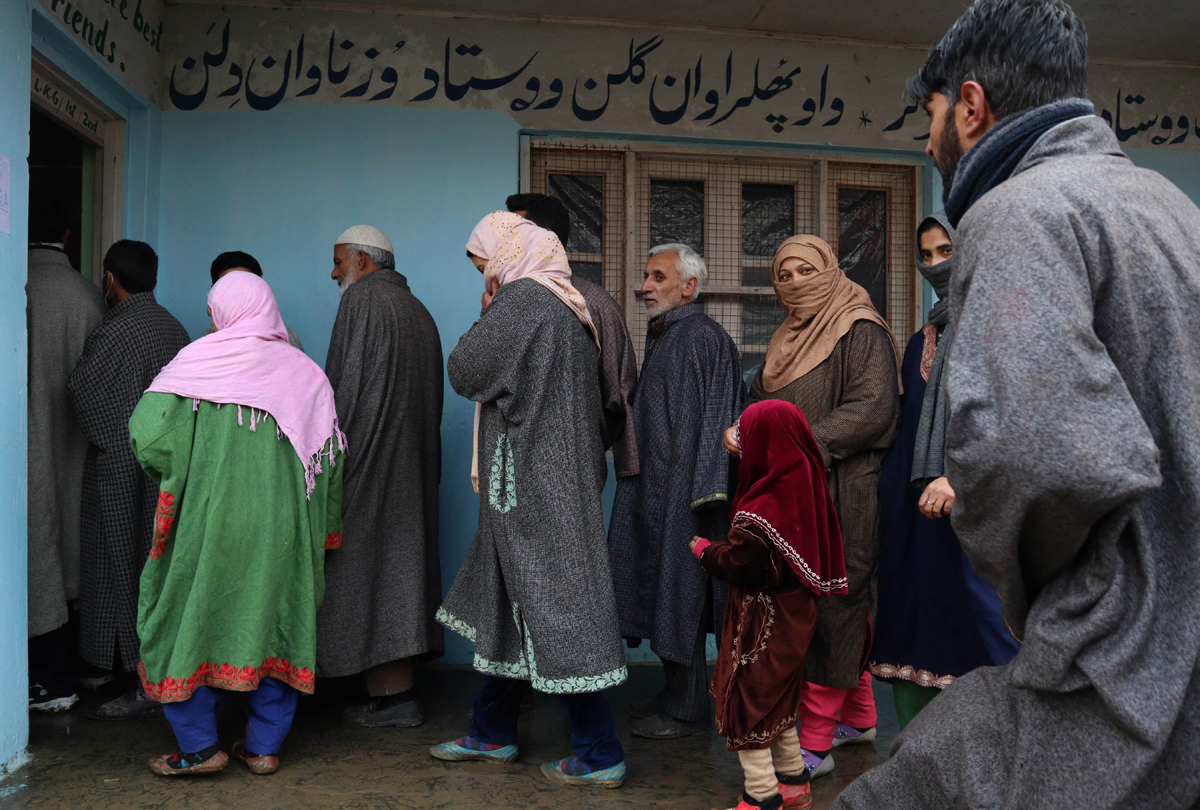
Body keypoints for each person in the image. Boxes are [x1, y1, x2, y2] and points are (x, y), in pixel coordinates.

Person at [834, 1, 1200, 807]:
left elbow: (1035, 454)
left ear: (971, 106)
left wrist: (1055, 610)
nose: (927, 144)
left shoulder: (1015, 213)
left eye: (929, 117)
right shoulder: (1170, 208)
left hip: (1111, 674)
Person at [431, 211, 627, 788]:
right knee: (511, 603)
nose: (485, 277)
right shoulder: (569, 304)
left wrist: (490, 307)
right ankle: (491, 731)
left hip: (530, 485)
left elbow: (465, 370)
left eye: (483, 265)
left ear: (507, 254)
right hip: (553, 478)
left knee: (554, 607)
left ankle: (598, 752)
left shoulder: (522, 301)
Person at [130, 272, 345, 776]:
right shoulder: (306, 374)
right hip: (283, 535)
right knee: (277, 624)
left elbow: (148, 437)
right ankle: (264, 747)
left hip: (206, 528)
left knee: (185, 621)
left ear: (222, 312)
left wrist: (190, 466)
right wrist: (325, 531)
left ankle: (201, 748)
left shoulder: (196, 367)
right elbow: (330, 463)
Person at [725, 235, 899, 779]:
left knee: (837, 604)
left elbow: (872, 409)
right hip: (796, 493)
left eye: (807, 269)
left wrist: (795, 446)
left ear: (829, 269)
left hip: (845, 488)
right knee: (809, 602)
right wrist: (744, 428)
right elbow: (762, 403)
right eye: (784, 274)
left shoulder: (859, 327)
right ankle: (862, 718)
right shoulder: (786, 337)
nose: (796, 281)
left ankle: (817, 744)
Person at [868, 213, 1017, 728]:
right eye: (926, 254)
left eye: (945, 251)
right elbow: (905, 431)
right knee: (915, 629)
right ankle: (921, 759)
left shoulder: (1005, 330)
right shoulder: (920, 342)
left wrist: (959, 476)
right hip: (919, 518)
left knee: (985, 634)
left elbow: (1015, 423)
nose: (933, 264)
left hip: (979, 513)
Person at [607, 243, 744, 740]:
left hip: (688, 497)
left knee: (682, 594)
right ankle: (673, 695)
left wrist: (706, 495)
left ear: (689, 287)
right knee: (661, 590)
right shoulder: (669, 335)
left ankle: (687, 708)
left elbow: (717, 420)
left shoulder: (703, 338)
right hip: (659, 489)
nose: (645, 286)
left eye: (658, 277)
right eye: (646, 276)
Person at [317, 225, 444, 727]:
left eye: (337, 260)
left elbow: (339, 393)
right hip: (411, 473)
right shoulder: (420, 312)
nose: (333, 273)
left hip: (366, 469)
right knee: (399, 576)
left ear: (364, 262)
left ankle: (390, 699)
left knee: (361, 574)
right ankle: (396, 694)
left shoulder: (361, 302)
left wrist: (323, 462)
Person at [696, 400, 848, 810]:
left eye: (747, 435)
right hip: (796, 621)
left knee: (745, 701)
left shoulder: (763, 506)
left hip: (760, 624)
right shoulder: (807, 484)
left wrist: (706, 551)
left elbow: (742, 563)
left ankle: (761, 794)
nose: (740, 443)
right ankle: (795, 783)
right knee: (777, 700)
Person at [67, 240, 191, 720]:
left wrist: (112, 436)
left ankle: (134, 676)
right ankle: (139, 670)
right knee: (151, 569)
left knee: (115, 566)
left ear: (108, 279)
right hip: (166, 470)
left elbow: (81, 390)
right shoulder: (173, 327)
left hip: (119, 465)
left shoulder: (114, 331)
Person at [26, 204, 105, 713]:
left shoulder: (18, 289)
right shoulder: (89, 298)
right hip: (74, 448)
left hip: (21, 450)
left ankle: (42, 680)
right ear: (69, 235)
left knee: (30, 553)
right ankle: (63, 672)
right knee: (64, 552)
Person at [505, 193, 639, 479]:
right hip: (509, 466)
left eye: (515, 232)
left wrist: (586, 445)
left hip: (574, 469)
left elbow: (619, 394)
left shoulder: (595, 304)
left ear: (547, 238)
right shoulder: (502, 301)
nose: (503, 242)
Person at [203, 251, 304, 350]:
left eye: (247, 284)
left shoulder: (288, 338)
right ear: (214, 292)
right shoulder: (204, 347)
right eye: (229, 286)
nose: (238, 293)